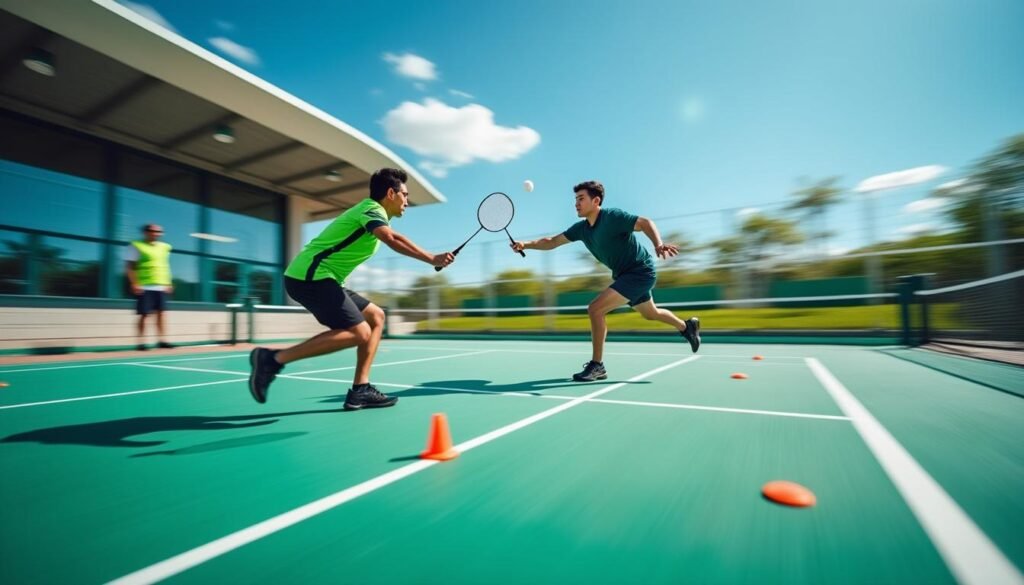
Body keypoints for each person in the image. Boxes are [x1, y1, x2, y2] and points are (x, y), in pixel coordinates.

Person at [247, 168, 454, 410]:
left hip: (326, 279)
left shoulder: (376, 218)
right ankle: (272, 359)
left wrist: (433, 258)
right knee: (359, 332)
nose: (407, 201)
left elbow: (395, 235)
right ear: (390, 193)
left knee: (376, 316)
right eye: (405, 195)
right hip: (309, 277)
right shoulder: (370, 209)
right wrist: (431, 259)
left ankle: (360, 390)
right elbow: (392, 239)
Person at [511, 180, 700, 381]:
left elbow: (645, 222)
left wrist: (658, 244)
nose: (576, 203)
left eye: (581, 198)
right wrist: (525, 244)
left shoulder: (612, 217)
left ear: (596, 200)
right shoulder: (581, 229)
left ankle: (597, 365)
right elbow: (552, 241)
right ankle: (687, 327)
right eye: (575, 199)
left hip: (640, 272)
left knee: (595, 309)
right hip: (623, 275)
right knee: (651, 314)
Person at [125, 223, 174, 351]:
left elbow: (165, 266)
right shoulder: (136, 245)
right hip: (145, 286)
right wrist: (134, 283)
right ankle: (141, 342)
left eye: (159, 232)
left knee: (162, 314)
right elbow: (130, 266)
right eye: (153, 231)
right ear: (145, 232)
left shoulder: (165, 247)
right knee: (144, 315)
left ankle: (162, 340)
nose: (156, 234)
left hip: (161, 285)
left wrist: (168, 283)